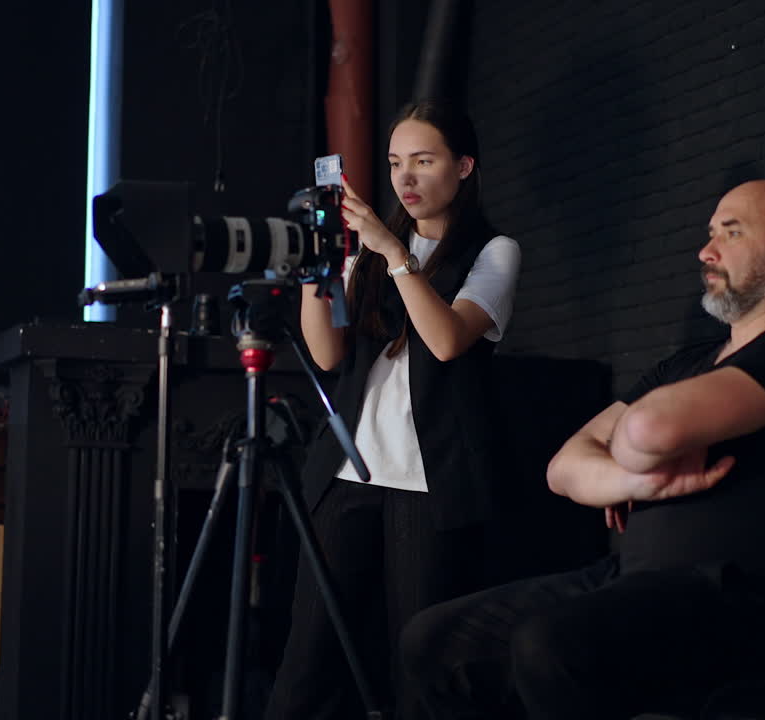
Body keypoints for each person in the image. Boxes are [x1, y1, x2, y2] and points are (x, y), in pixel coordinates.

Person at [399, 180, 765, 719]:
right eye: (710, 232)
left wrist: (633, 447)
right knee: (434, 639)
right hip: (633, 583)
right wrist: (639, 482)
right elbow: (565, 467)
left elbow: (649, 430)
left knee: (550, 646)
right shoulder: (687, 364)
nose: (706, 250)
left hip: (745, 602)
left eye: (732, 232)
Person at [263, 100, 521, 720]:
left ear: (463, 167)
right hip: (347, 471)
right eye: (395, 163)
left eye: (424, 162)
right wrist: (317, 268)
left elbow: (447, 340)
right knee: (309, 658)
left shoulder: (495, 252)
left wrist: (392, 251)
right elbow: (327, 355)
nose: (404, 179)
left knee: (420, 658)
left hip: (431, 482)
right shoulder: (371, 253)